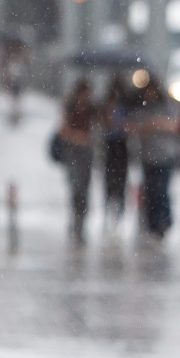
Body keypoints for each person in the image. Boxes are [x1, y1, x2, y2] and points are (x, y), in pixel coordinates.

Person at [131, 76, 178, 236]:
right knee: (150, 191)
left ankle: (163, 223)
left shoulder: (166, 107)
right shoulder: (142, 108)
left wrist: (157, 124)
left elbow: (176, 125)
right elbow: (134, 127)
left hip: (165, 156)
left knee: (161, 190)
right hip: (147, 156)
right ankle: (152, 223)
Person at [58, 79, 95, 242]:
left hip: (86, 153)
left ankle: (81, 219)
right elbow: (63, 130)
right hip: (73, 152)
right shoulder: (70, 108)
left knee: (84, 188)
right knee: (76, 185)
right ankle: (76, 218)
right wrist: (77, 137)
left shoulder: (93, 110)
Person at [101, 77, 131, 223]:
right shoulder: (107, 106)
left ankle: (119, 212)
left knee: (121, 179)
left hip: (121, 145)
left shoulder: (127, 106)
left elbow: (128, 126)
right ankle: (108, 210)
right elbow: (105, 124)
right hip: (110, 144)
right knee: (109, 179)